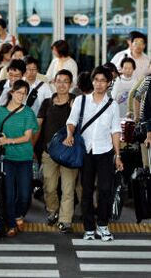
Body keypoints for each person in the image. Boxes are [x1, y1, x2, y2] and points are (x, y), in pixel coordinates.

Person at [64, 66, 123, 241]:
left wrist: (117, 155)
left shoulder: (112, 106)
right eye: (96, 80)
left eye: (103, 81)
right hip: (86, 152)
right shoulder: (81, 101)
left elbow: (115, 131)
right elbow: (71, 122)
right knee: (87, 190)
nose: (99, 84)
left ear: (108, 83)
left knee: (105, 189)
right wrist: (69, 135)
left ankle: (103, 225)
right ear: (92, 81)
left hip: (105, 151)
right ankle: (89, 228)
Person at [0, 80, 38, 237]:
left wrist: (8, 140)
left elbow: (27, 137)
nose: (21, 96)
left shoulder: (28, 112)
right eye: (18, 92)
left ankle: (18, 214)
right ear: (11, 92)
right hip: (7, 158)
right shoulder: (1, 111)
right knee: (8, 194)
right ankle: (10, 224)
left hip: (25, 158)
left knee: (24, 195)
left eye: (24, 93)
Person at [35, 69, 78, 233]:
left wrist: (76, 108)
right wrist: (33, 146)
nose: (61, 84)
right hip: (49, 152)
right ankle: (53, 210)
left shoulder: (76, 102)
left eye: (65, 81)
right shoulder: (47, 103)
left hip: (69, 152)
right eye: (59, 81)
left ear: (71, 84)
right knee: (49, 186)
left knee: (68, 188)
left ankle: (65, 220)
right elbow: (38, 126)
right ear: (54, 82)